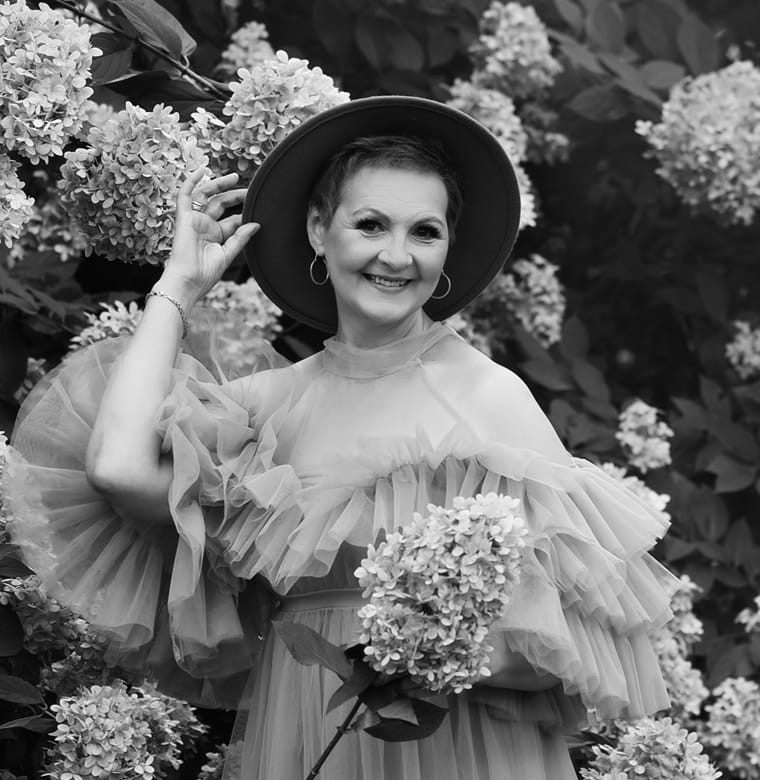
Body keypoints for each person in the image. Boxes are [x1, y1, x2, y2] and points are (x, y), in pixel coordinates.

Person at [6, 96, 676, 779]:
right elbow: (117, 470)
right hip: (306, 739)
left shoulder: (487, 398)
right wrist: (178, 287)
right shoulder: (268, 409)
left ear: (447, 249)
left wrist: (421, 650)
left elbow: (560, 652)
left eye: (425, 232)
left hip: (457, 751)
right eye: (371, 224)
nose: (397, 255)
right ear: (319, 229)